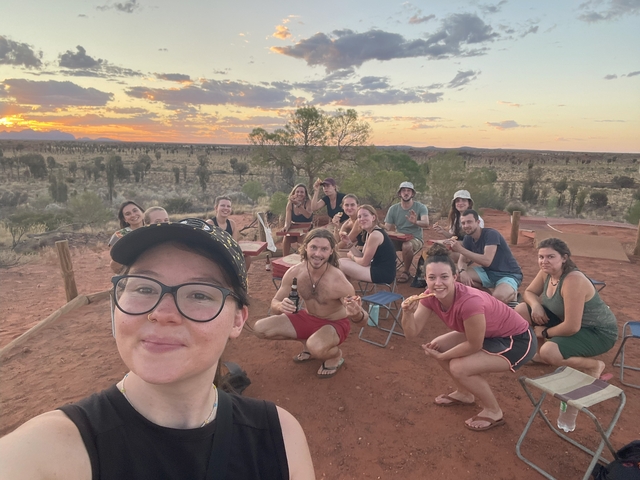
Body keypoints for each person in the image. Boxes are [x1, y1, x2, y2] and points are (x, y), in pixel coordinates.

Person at [0, 219, 315, 479]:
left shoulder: (279, 437)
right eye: (144, 287)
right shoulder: (48, 453)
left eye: (200, 295)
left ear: (237, 321)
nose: (162, 313)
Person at [401, 244, 536, 432]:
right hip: (490, 333)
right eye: (432, 277)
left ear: (455, 278)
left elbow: (474, 344)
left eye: (444, 277)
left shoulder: (469, 302)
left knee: (458, 366)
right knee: (438, 346)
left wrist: (443, 358)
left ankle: (493, 411)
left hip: (517, 340)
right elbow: (411, 333)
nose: (437, 283)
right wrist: (407, 314)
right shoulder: (428, 296)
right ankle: (464, 394)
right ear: (425, 279)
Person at [252, 229, 368, 379]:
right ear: (305, 247)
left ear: (331, 251)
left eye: (324, 249)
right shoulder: (295, 272)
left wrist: (357, 313)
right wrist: (280, 306)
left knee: (317, 347)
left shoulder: (338, 281)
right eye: (314, 247)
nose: (318, 254)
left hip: (334, 324)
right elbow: (275, 303)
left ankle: (335, 356)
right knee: (260, 329)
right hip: (307, 317)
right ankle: (308, 343)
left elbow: (363, 321)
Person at [514, 238, 618, 378]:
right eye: (541, 257)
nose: (544, 261)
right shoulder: (546, 272)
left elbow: (572, 326)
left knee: (549, 351)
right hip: (567, 322)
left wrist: (545, 333)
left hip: (597, 332)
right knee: (522, 309)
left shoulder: (573, 280)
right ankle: (540, 356)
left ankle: (593, 365)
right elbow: (529, 292)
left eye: (550, 257)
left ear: (564, 258)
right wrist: (536, 305)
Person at [447, 209, 522, 304]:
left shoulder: (491, 234)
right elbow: (462, 261)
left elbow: (487, 261)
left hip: (509, 273)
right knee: (455, 276)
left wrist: (461, 249)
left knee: (498, 297)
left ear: (478, 222)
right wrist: (462, 271)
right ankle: (487, 295)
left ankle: (512, 294)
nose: (466, 226)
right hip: (488, 272)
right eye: (463, 223)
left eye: (469, 222)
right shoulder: (468, 238)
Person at [384, 181, 430, 283]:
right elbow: (387, 228)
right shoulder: (393, 209)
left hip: (415, 238)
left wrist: (415, 222)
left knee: (407, 245)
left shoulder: (421, 207)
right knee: (382, 242)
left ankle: (406, 272)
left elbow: (426, 223)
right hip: (398, 237)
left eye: (408, 191)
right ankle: (387, 268)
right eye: (403, 190)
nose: (406, 193)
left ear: (412, 194)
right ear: (399, 193)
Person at [339, 205, 396, 285]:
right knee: (341, 261)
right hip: (375, 268)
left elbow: (364, 262)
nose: (362, 219)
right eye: (359, 216)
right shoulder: (370, 233)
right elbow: (362, 256)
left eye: (365, 215)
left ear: (373, 217)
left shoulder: (375, 235)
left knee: (339, 263)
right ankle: (346, 290)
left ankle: (345, 291)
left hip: (382, 274)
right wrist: (349, 242)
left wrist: (352, 257)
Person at [109, 200, 145, 273]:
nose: (133, 215)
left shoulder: (152, 230)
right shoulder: (119, 235)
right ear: (124, 219)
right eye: (128, 214)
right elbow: (115, 265)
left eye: (135, 211)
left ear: (142, 212)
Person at [281, 184, 314, 255]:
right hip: (295, 227)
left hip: (307, 227)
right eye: (297, 192)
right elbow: (288, 220)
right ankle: (284, 258)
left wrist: (298, 204)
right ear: (294, 193)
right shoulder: (290, 204)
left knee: (301, 236)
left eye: (302, 192)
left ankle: (301, 258)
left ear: (305, 194)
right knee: (286, 237)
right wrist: (286, 227)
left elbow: (308, 215)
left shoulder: (309, 202)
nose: (299, 194)